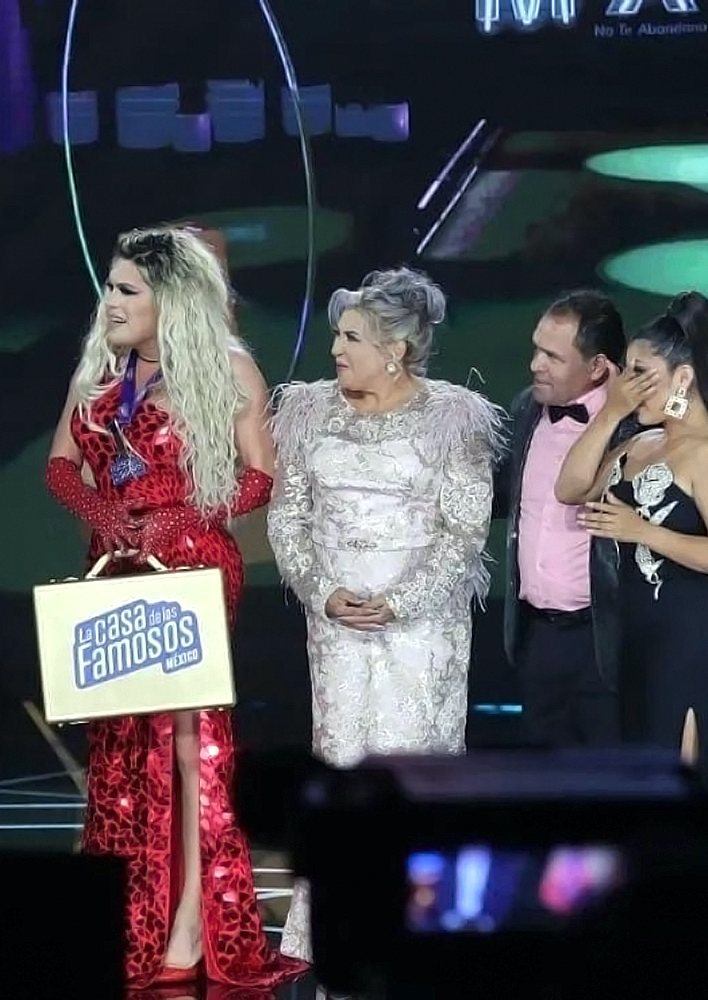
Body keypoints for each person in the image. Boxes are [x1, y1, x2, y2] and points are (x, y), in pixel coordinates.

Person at [45, 226, 306, 989]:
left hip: (188, 568)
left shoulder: (226, 369)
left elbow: (260, 479)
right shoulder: (100, 367)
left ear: (173, 299)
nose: (111, 301)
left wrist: (179, 517)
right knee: (121, 755)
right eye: (112, 286)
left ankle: (192, 920)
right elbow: (59, 465)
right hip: (109, 569)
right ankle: (131, 918)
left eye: (127, 289)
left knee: (188, 747)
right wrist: (100, 510)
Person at [268, 267, 503, 963]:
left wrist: (401, 601)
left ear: (395, 349)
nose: (335, 349)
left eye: (351, 338)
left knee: (411, 768)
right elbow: (289, 518)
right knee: (342, 766)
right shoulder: (309, 412)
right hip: (337, 626)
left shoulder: (453, 417)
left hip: (419, 627)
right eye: (338, 336)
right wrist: (320, 588)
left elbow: (466, 536)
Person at [557, 292, 708, 785]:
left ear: (683, 378)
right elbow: (571, 487)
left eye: (642, 375)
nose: (630, 387)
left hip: (687, 634)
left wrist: (641, 531)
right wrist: (608, 416)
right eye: (628, 372)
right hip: (634, 629)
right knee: (639, 762)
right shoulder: (641, 442)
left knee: (676, 763)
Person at [494, 291, 629, 748]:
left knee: (613, 782)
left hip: (604, 639)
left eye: (553, 356)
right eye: (536, 349)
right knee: (543, 785)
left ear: (597, 367)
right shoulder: (525, 411)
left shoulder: (635, 429)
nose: (536, 364)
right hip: (538, 638)